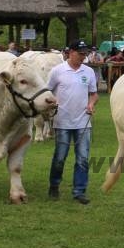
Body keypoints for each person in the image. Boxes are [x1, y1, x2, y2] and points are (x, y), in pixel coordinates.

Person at [47, 39, 99, 203]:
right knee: (60, 157)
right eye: (80, 53)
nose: (83, 56)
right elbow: (46, 92)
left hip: (83, 121)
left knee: (83, 158)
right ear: (71, 52)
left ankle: (79, 191)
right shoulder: (57, 71)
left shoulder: (88, 72)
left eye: (85, 54)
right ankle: (54, 185)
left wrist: (91, 104)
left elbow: (94, 93)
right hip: (62, 120)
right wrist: (52, 101)